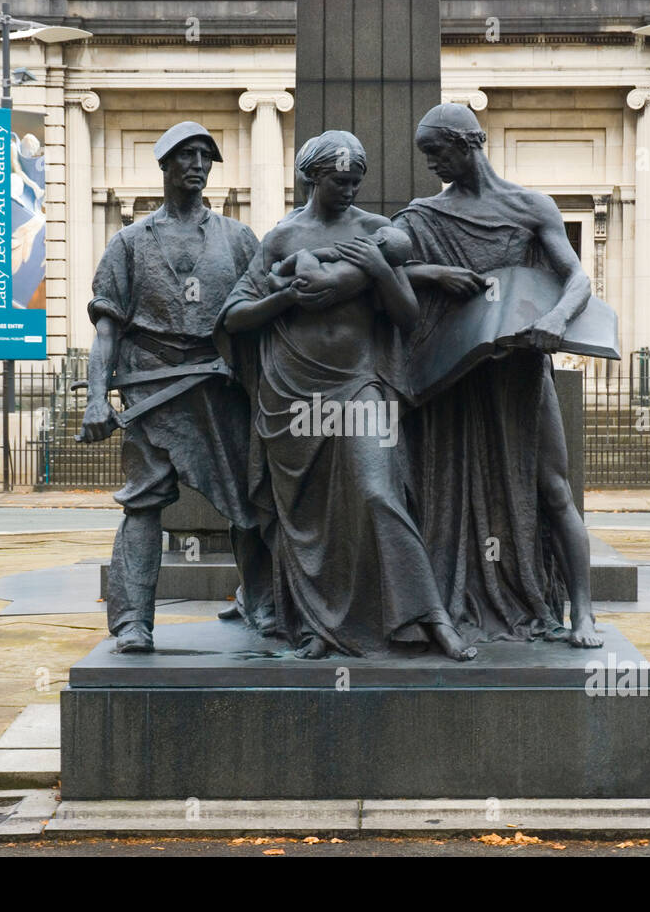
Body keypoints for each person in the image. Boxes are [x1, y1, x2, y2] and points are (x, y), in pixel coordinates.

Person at [218, 130, 476, 662]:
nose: (350, 190)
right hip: (291, 392)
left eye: (356, 181)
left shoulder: (377, 232)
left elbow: (406, 315)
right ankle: (321, 625)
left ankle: (431, 618)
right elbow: (234, 316)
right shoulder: (282, 239)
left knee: (378, 492)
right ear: (312, 177)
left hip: (361, 383)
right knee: (311, 518)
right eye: (340, 181)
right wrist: (286, 295)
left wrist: (381, 271)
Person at [393, 102, 602, 648]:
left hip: (520, 370)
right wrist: (432, 272)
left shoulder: (531, 207)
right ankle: (448, 600)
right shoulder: (422, 216)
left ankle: (583, 613)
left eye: (437, 151)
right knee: (445, 492)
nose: (432, 164)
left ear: (469, 142)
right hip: (455, 376)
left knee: (554, 489)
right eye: (425, 155)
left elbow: (577, 278)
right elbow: (379, 271)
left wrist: (556, 319)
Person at [78, 121, 273, 652]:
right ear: (164, 165)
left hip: (219, 388)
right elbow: (106, 329)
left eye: (205, 157)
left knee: (249, 502)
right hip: (150, 390)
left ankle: (262, 603)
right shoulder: (129, 243)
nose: (197, 165)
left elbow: (260, 316)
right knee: (143, 502)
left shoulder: (237, 238)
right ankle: (132, 622)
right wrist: (98, 398)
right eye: (186, 155)